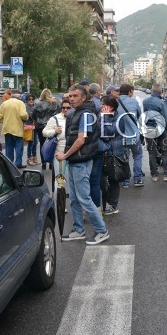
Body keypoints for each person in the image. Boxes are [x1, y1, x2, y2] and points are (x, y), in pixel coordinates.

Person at [57, 84, 109, 245]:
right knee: (73, 198)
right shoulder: (76, 113)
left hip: (81, 161)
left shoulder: (86, 114)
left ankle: (102, 231)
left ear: (83, 97)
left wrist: (65, 155)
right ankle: (78, 230)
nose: (71, 99)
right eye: (70, 96)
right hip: (75, 160)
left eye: (75, 96)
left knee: (84, 198)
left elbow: (81, 140)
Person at [99, 95, 125, 214]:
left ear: (110, 107)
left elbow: (109, 133)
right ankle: (104, 203)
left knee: (113, 179)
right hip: (103, 152)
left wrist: (105, 118)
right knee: (102, 180)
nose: (101, 106)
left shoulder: (119, 118)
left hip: (113, 153)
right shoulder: (102, 116)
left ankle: (113, 205)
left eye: (103, 104)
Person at [142, 83, 167, 182]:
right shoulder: (161, 102)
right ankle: (166, 175)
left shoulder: (145, 101)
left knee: (151, 152)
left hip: (149, 129)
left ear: (152, 90)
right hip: (161, 129)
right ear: (160, 91)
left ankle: (154, 175)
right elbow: (166, 118)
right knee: (165, 152)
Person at [116, 83, 144, 187]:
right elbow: (139, 115)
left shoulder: (115, 102)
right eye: (132, 91)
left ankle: (125, 181)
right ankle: (137, 179)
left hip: (120, 135)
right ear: (129, 92)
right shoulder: (133, 101)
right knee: (137, 155)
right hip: (133, 135)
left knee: (124, 158)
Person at [0, 88, 28, 168]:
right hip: (17, 128)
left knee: (9, 147)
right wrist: (26, 118)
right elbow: (23, 115)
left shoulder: (5, 103)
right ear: (19, 96)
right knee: (18, 147)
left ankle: (9, 164)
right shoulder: (20, 103)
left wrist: (4, 120)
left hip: (7, 128)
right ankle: (17, 164)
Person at [43, 98, 69, 192]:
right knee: (59, 180)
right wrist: (54, 131)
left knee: (73, 181)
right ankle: (59, 204)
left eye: (68, 108)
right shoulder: (55, 119)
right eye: (64, 107)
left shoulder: (76, 117)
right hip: (60, 154)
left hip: (74, 153)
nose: (66, 110)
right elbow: (44, 132)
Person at [34, 88, 59, 170]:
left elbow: (33, 114)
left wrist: (37, 120)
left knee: (42, 143)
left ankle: (43, 162)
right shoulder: (54, 103)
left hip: (40, 125)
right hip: (51, 125)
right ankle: (51, 162)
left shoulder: (37, 103)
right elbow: (58, 113)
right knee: (52, 143)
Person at [24, 94, 38, 166]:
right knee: (31, 142)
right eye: (29, 99)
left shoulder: (35, 105)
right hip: (29, 125)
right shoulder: (25, 106)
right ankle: (29, 158)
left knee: (35, 142)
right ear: (27, 100)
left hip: (35, 125)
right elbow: (31, 115)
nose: (31, 100)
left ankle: (34, 157)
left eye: (32, 99)